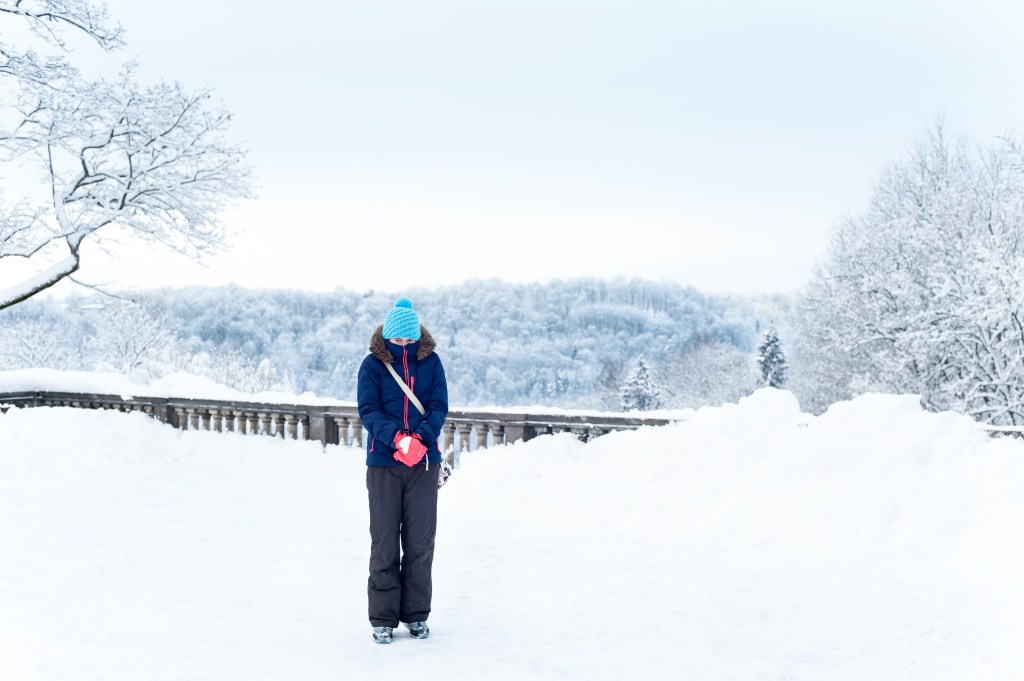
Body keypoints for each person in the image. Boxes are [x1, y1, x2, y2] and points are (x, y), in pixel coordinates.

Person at [356, 297, 449, 645]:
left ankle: (416, 614)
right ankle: (382, 618)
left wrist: (422, 440)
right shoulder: (372, 366)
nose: (403, 347)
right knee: (383, 541)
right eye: (397, 341)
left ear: (417, 338)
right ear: (387, 337)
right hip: (384, 463)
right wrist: (396, 439)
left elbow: (439, 405)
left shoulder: (432, 363)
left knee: (420, 543)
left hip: (424, 464)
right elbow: (368, 409)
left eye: (409, 341)